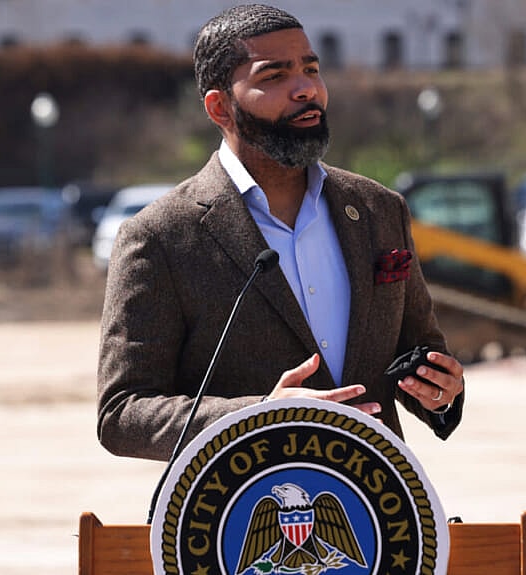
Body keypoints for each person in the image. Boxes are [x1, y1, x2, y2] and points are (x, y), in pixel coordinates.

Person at [97, 3, 465, 462]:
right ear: (220, 108)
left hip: (377, 508)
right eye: (274, 77)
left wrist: (439, 390)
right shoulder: (160, 236)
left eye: (311, 69)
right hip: (237, 515)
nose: (305, 89)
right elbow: (122, 412)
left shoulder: (378, 209)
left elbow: (417, 353)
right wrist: (260, 417)